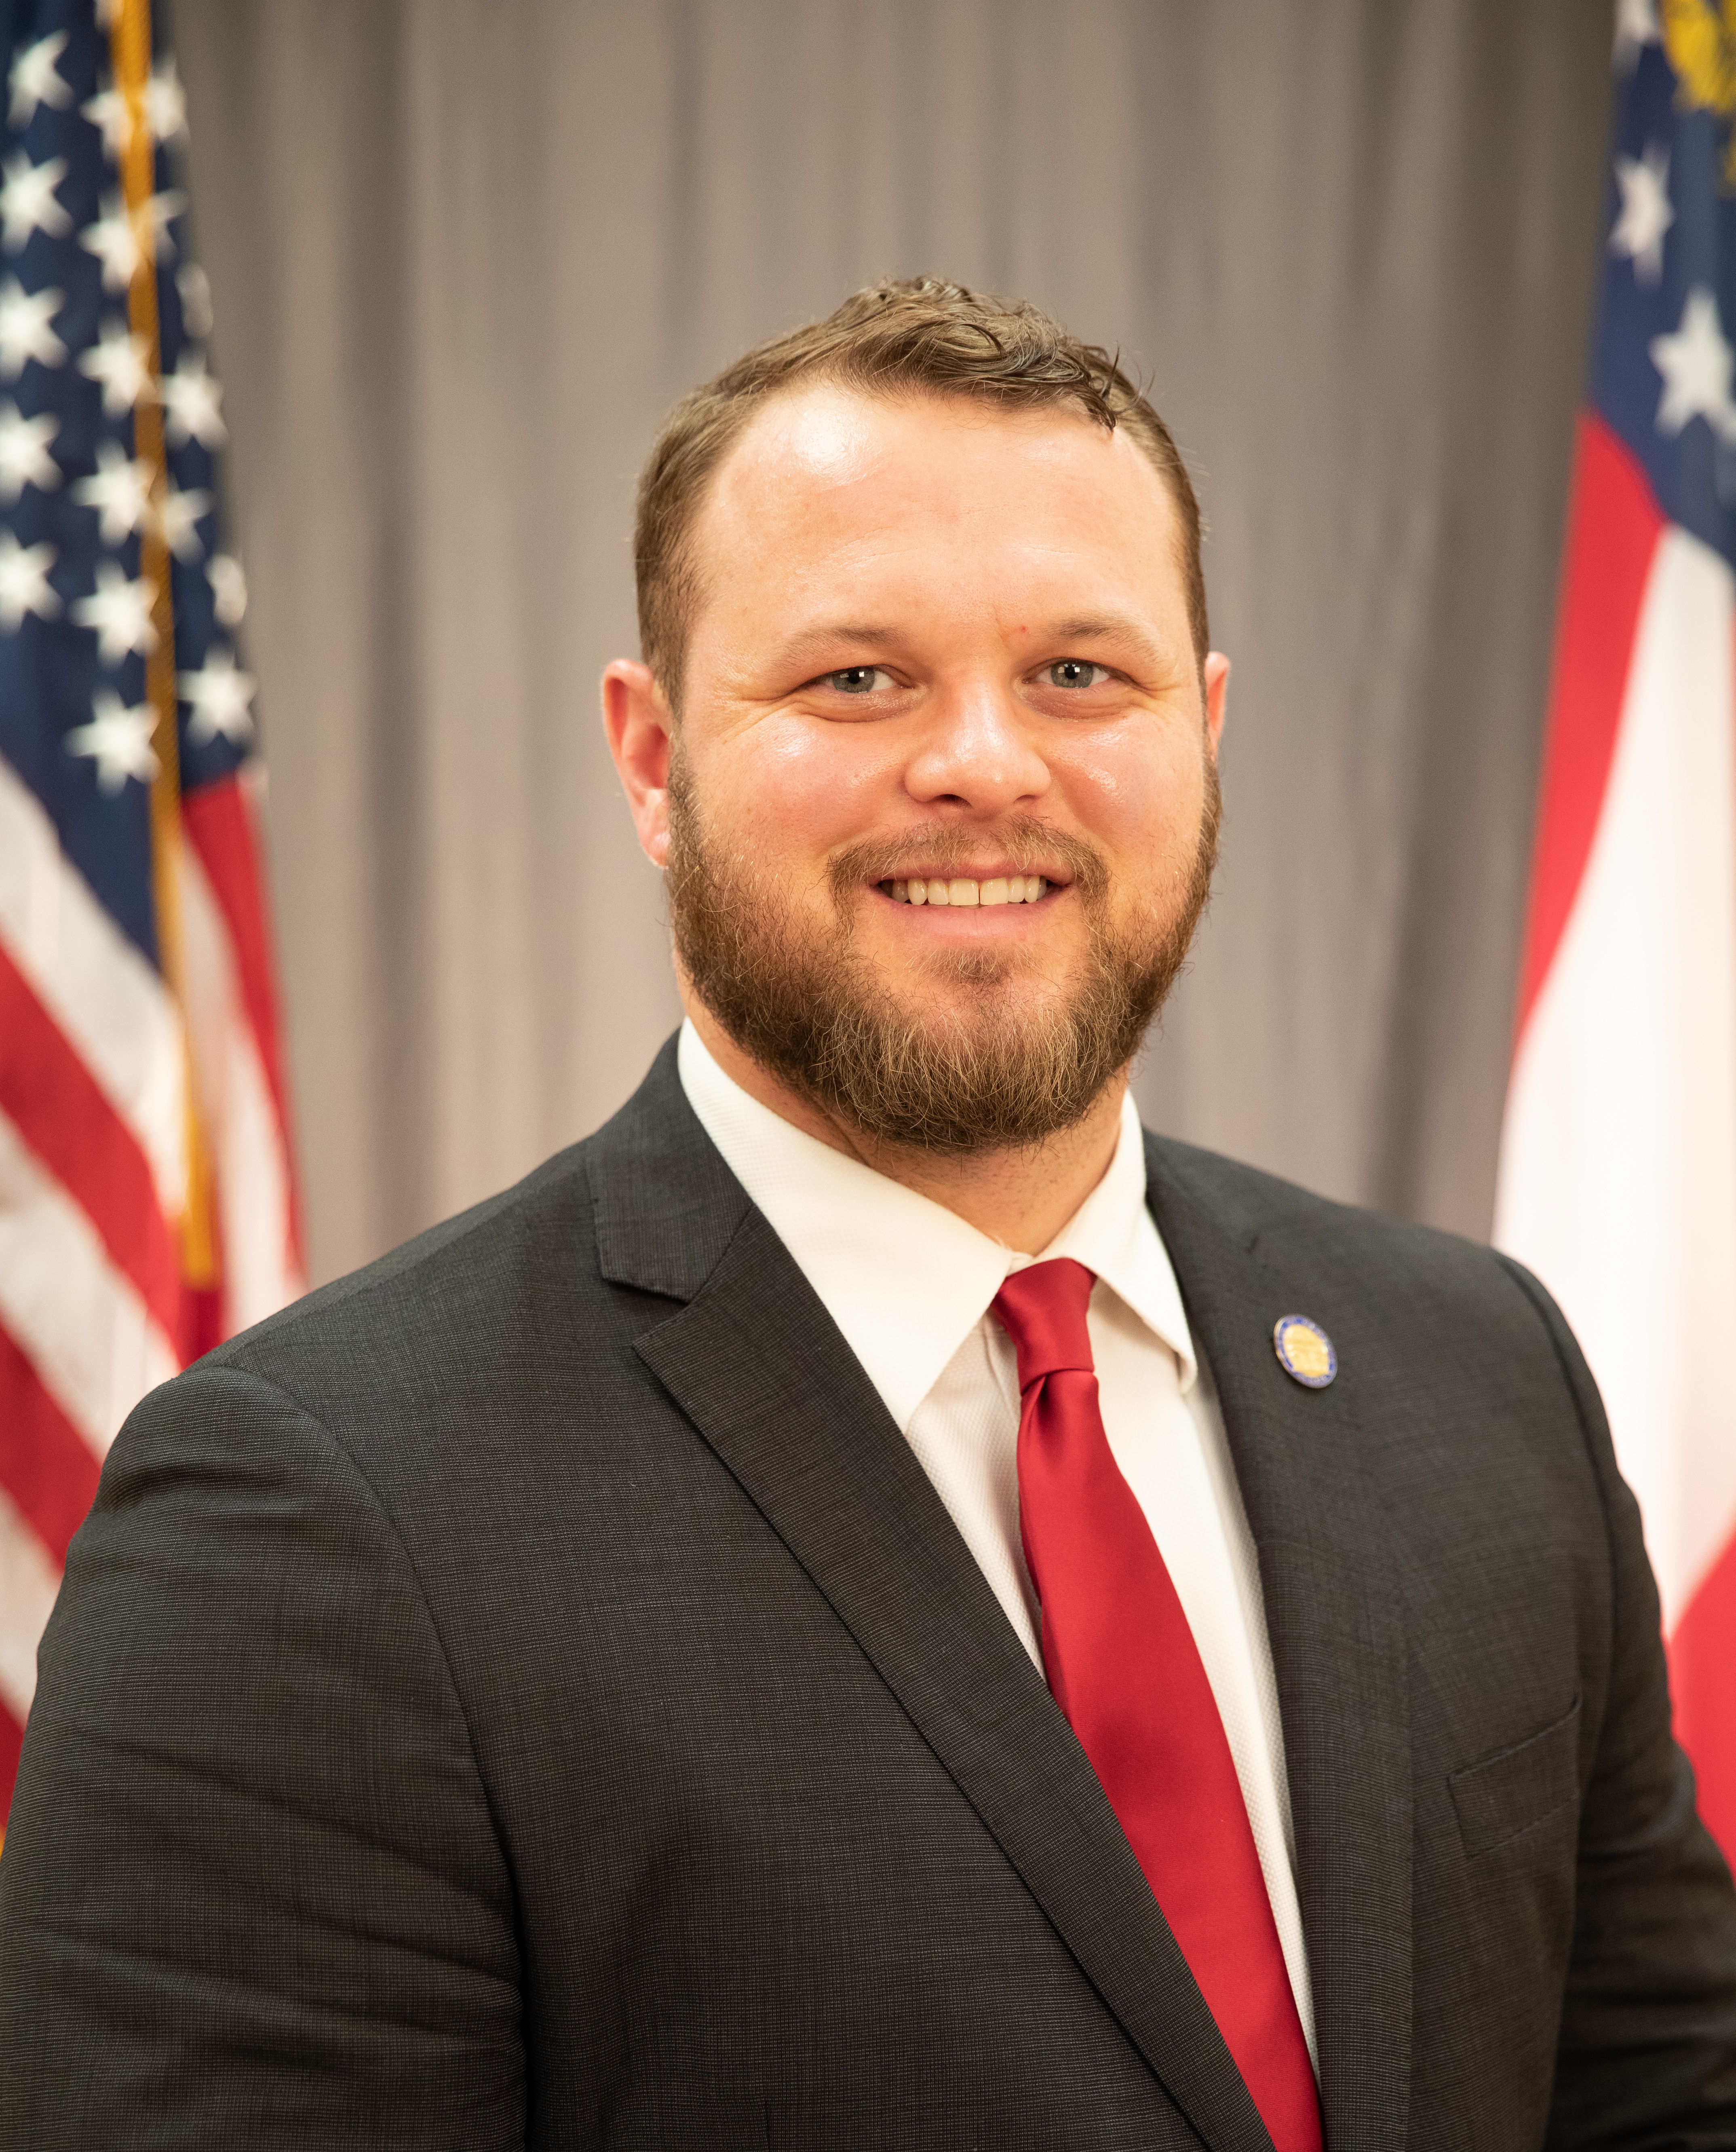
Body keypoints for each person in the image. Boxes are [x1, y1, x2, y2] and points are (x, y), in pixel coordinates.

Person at [3, 278, 1734, 2151]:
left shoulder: (1479, 1371)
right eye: (857, 677)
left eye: (1081, 673)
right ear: (654, 757)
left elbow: (1660, 2095)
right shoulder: (309, 1515)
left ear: (1207, 726)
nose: (986, 759)